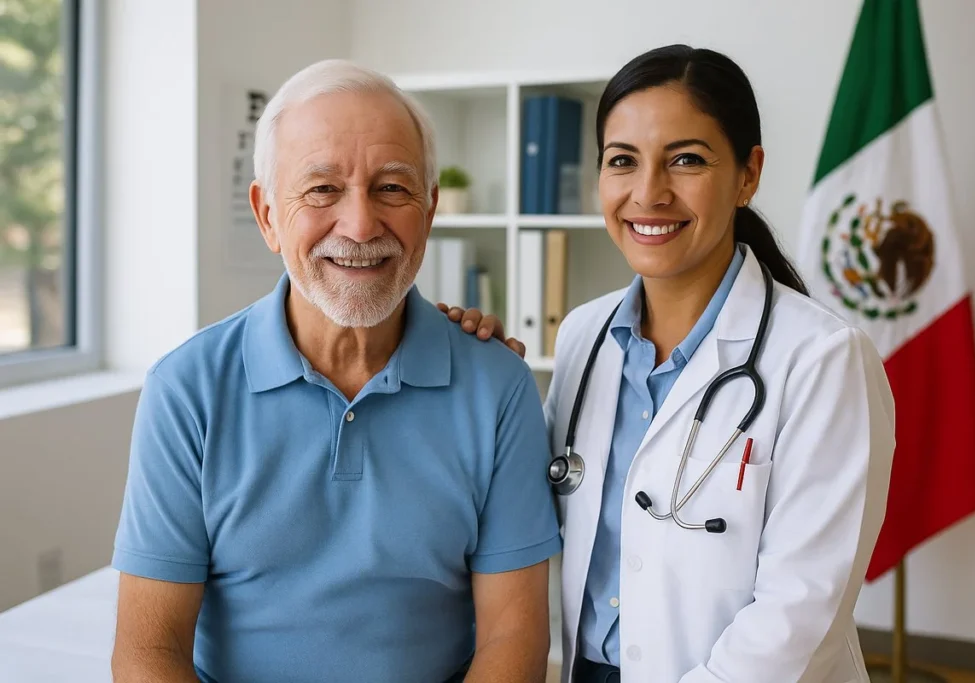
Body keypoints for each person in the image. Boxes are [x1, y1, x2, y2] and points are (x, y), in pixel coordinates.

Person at [442, 44, 896, 683]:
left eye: (686, 160)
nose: (648, 193)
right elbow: (520, 510)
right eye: (622, 161)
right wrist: (478, 375)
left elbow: (802, 611)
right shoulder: (582, 337)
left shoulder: (822, 359)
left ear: (748, 174)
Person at [109, 59, 561, 683]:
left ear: (428, 212)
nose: (359, 225)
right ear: (268, 215)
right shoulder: (185, 390)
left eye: (392, 188)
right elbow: (147, 655)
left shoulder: (498, 386)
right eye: (322, 189)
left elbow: (514, 640)